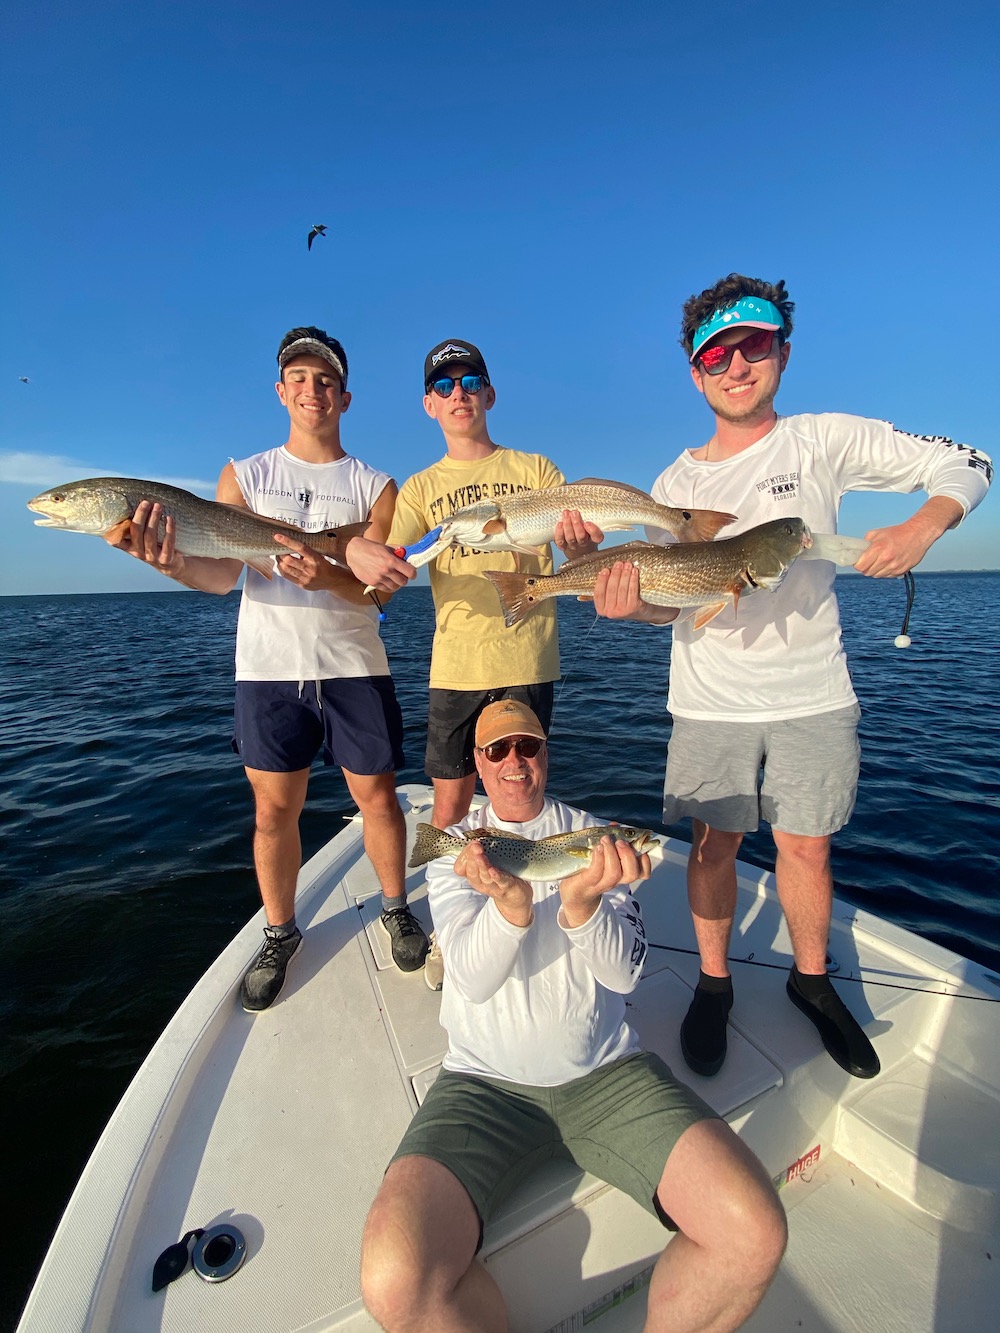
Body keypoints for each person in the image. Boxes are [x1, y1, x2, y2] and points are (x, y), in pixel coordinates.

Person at [594, 274, 992, 1082]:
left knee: (806, 852)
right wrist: (621, 603)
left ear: (782, 349)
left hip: (816, 691)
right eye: (718, 353)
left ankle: (812, 982)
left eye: (755, 345)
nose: (737, 365)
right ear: (695, 370)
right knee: (712, 848)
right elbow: (670, 608)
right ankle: (714, 981)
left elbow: (970, 460)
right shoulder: (672, 487)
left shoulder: (824, 439)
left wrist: (924, 522)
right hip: (708, 699)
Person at [360, 699, 787, 1333]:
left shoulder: (597, 840)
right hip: (483, 1085)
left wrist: (584, 901)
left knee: (754, 1231)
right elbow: (471, 981)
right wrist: (509, 906)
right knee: (392, 1281)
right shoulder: (460, 849)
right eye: (497, 750)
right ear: (476, 763)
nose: (515, 762)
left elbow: (625, 973)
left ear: (545, 751)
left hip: (606, 1075)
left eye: (527, 746)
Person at [111, 326, 429, 1007]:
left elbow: (377, 588)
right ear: (281, 391)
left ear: (346, 396)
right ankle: (281, 930)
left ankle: (396, 905)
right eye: (300, 378)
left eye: (325, 379)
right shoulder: (246, 476)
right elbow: (221, 573)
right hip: (267, 670)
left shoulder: (375, 486)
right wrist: (170, 562)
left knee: (377, 796)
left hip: (354, 664)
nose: (312, 389)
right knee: (272, 810)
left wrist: (325, 577)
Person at [387, 339, 601, 834]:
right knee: (449, 810)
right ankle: (450, 904)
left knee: (521, 805)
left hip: (528, 656)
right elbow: (397, 562)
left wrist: (583, 548)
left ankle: (515, 907)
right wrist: (366, 567)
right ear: (430, 404)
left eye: (470, 382)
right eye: (444, 385)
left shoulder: (537, 471)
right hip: (457, 666)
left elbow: (578, 556)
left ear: (489, 395)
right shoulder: (419, 488)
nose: (458, 393)